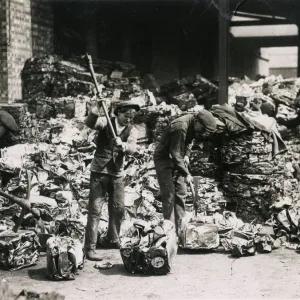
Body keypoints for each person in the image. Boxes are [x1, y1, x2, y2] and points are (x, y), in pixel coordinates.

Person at [84, 99, 140, 261]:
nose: (129, 119)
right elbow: (90, 123)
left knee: (118, 208)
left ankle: (112, 238)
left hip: (117, 173)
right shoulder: (105, 121)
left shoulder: (132, 130)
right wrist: (98, 107)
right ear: (118, 113)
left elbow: (132, 149)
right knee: (95, 210)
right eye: (126, 115)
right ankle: (90, 248)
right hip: (99, 171)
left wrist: (122, 145)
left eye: (132, 116)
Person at [153, 110, 217, 234]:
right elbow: (175, 153)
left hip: (178, 157)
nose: (203, 134)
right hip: (164, 158)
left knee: (181, 192)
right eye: (203, 130)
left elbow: (189, 141)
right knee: (169, 194)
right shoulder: (180, 127)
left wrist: (187, 155)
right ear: (197, 121)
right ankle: (169, 231)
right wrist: (186, 173)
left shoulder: (194, 125)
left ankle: (181, 231)